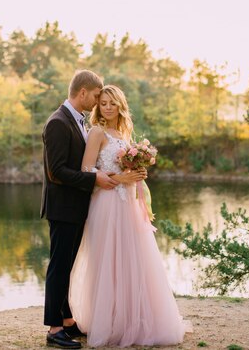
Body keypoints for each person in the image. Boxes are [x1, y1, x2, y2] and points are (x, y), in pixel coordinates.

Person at [69, 85, 188, 347]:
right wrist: (120, 178)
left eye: (112, 103)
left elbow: (128, 168)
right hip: (106, 204)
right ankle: (109, 322)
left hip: (127, 205)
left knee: (132, 260)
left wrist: (138, 173)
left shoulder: (123, 133)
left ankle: (132, 321)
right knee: (108, 261)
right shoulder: (97, 133)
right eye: (103, 103)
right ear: (98, 106)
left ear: (121, 105)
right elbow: (87, 170)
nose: (108, 107)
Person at [41, 70, 119, 349]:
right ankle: (53, 329)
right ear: (83, 92)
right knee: (59, 267)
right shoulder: (58, 123)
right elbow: (56, 172)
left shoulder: (77, 121)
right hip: (62, 207)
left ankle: (68, 321)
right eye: (97, 96)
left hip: (75, 207)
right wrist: (94, 178)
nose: (99, 101)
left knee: (67, 266)